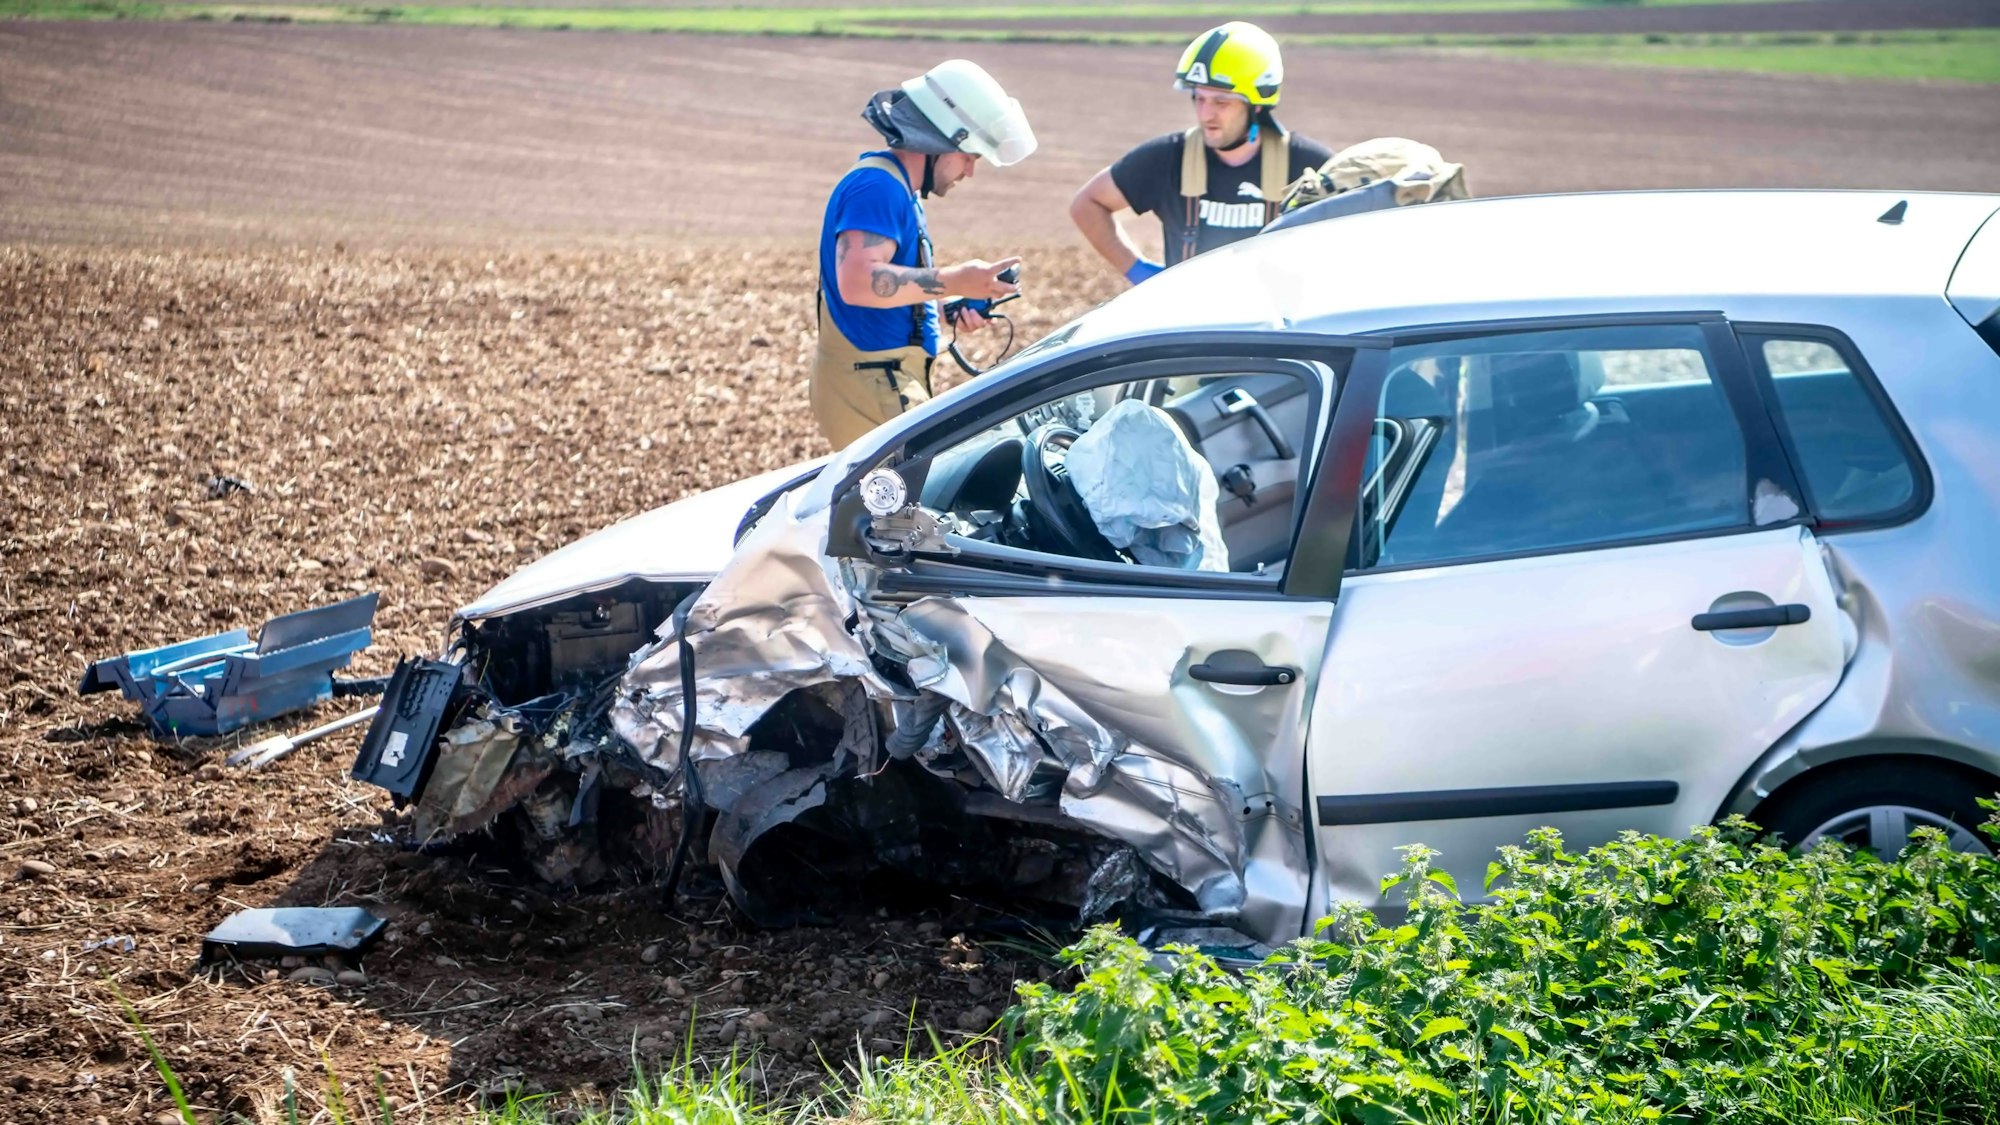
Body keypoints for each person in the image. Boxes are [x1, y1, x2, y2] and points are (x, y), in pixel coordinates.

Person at [813, 59, 1036, 448]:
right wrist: (954, 281)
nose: (970, 171)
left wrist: (944, 307)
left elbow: (884, 284)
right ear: (940, 140)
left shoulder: (899, 190)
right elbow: (858, 282)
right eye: (970, 155)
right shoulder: (877, 187)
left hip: (881, 380)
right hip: (874, 382)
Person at [1070, 22, 1333, 283]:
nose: (1206, 114)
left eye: (1221, 102)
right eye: (1199, 98)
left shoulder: (1308, 167)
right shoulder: (1168, 159)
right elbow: (1088, 204)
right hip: (1192, 310)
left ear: (1257, 105)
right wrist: (1140, 272)